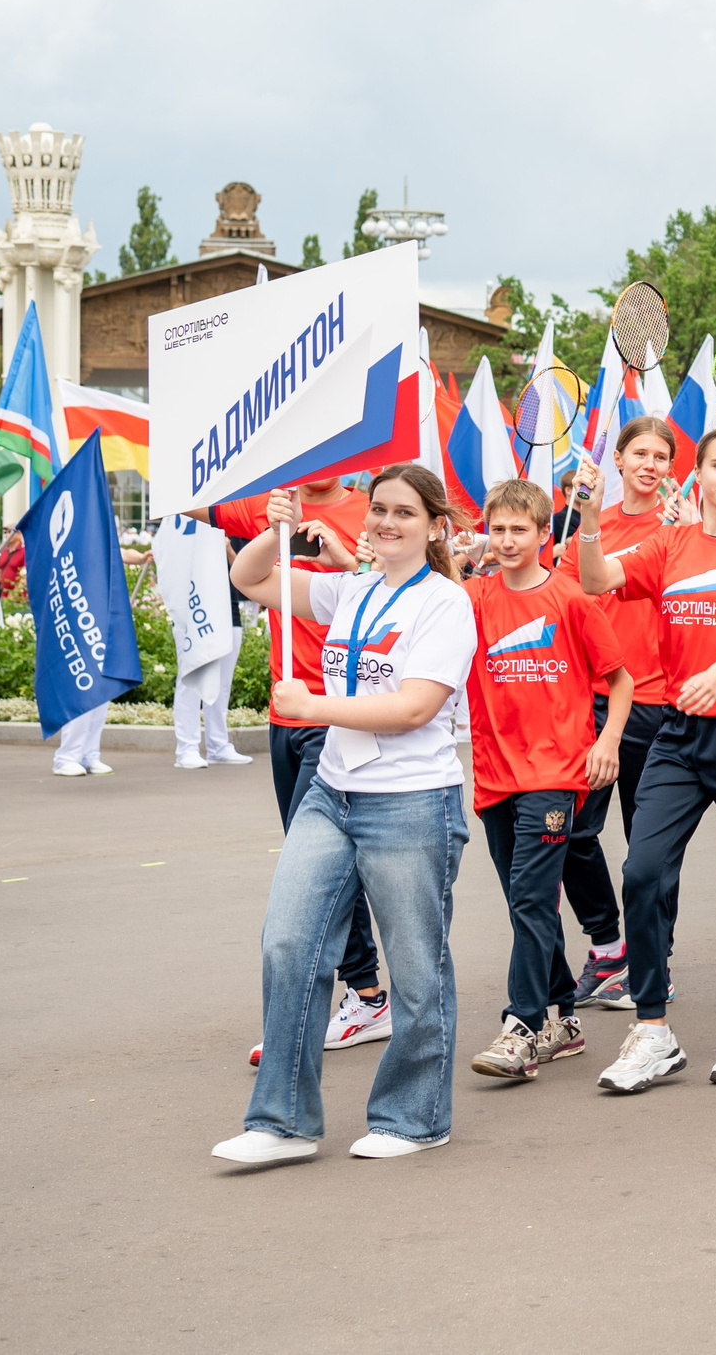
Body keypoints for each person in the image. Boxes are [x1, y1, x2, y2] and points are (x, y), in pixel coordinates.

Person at [212, 464, 476, 1163]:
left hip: (412, 800)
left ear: (435, 526)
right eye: (380, 509)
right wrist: (279, 526)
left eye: (404, 512)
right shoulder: (347, 590)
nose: (386, 521)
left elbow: (415, 706)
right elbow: (250, 578)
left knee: (417, 968)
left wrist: (315, 708)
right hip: (333, 791)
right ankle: (282, 1121)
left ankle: (413, 1118)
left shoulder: (446, 603)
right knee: (288, 942)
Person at [571, 427, 716, 1094]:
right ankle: (652, 1029)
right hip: (678, 731)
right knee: (642, 872)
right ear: (696, 473)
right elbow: (596, 578)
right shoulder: (670, 542)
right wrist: (588, 519)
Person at [460, 478, 631, 1080]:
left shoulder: (570, 599)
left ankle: (522, 1026)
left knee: (534, 898)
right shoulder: (473, 597)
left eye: (519, 530)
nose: (507, 541)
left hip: (557, 772)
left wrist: (607, 741)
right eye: (498, 529)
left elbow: (620, 679)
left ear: (541, 534)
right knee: (522, 903)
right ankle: (565, 1017)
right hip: (494, 773)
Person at [214, 472, 388, 1059]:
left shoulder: (374, 510)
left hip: (336, 711)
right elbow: (207, 524)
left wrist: (344, 558)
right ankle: (365, 994)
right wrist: (274, 523)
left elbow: (393, 590)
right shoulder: (272, 505)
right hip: (286, 712)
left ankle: (359, 995)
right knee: (318, 859)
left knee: (313, 868)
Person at [560, 416, 692, 1013]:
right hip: (590, 699)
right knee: (573, 833)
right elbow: (565, 602)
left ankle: (653, 961)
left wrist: (683, 537)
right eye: (638, 453)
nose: (649, 464)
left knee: (650, 849)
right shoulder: (587, 528)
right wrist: (583, 519)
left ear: (671, 468)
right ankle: (609, 946)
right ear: (616, 460)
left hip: (658, 703)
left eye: (660, 457)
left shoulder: (681, 532)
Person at [154, 514, 253, 771]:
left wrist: (229, 548)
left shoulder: (228, 513)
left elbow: (247, 565)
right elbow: (165, 551)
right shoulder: (180, 515)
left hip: (226, 607)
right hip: (192, 606)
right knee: (190, 677)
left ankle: (218, 745)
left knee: (221, 684)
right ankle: (186, 747)